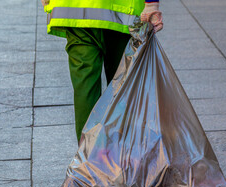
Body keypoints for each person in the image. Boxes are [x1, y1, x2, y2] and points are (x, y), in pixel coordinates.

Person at [41, 0, 163, 144]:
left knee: (85, 85)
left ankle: (89, 158)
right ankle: (120, 154)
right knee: (122, 85)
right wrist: (151, 4)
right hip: (121, 11)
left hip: (75, 8)